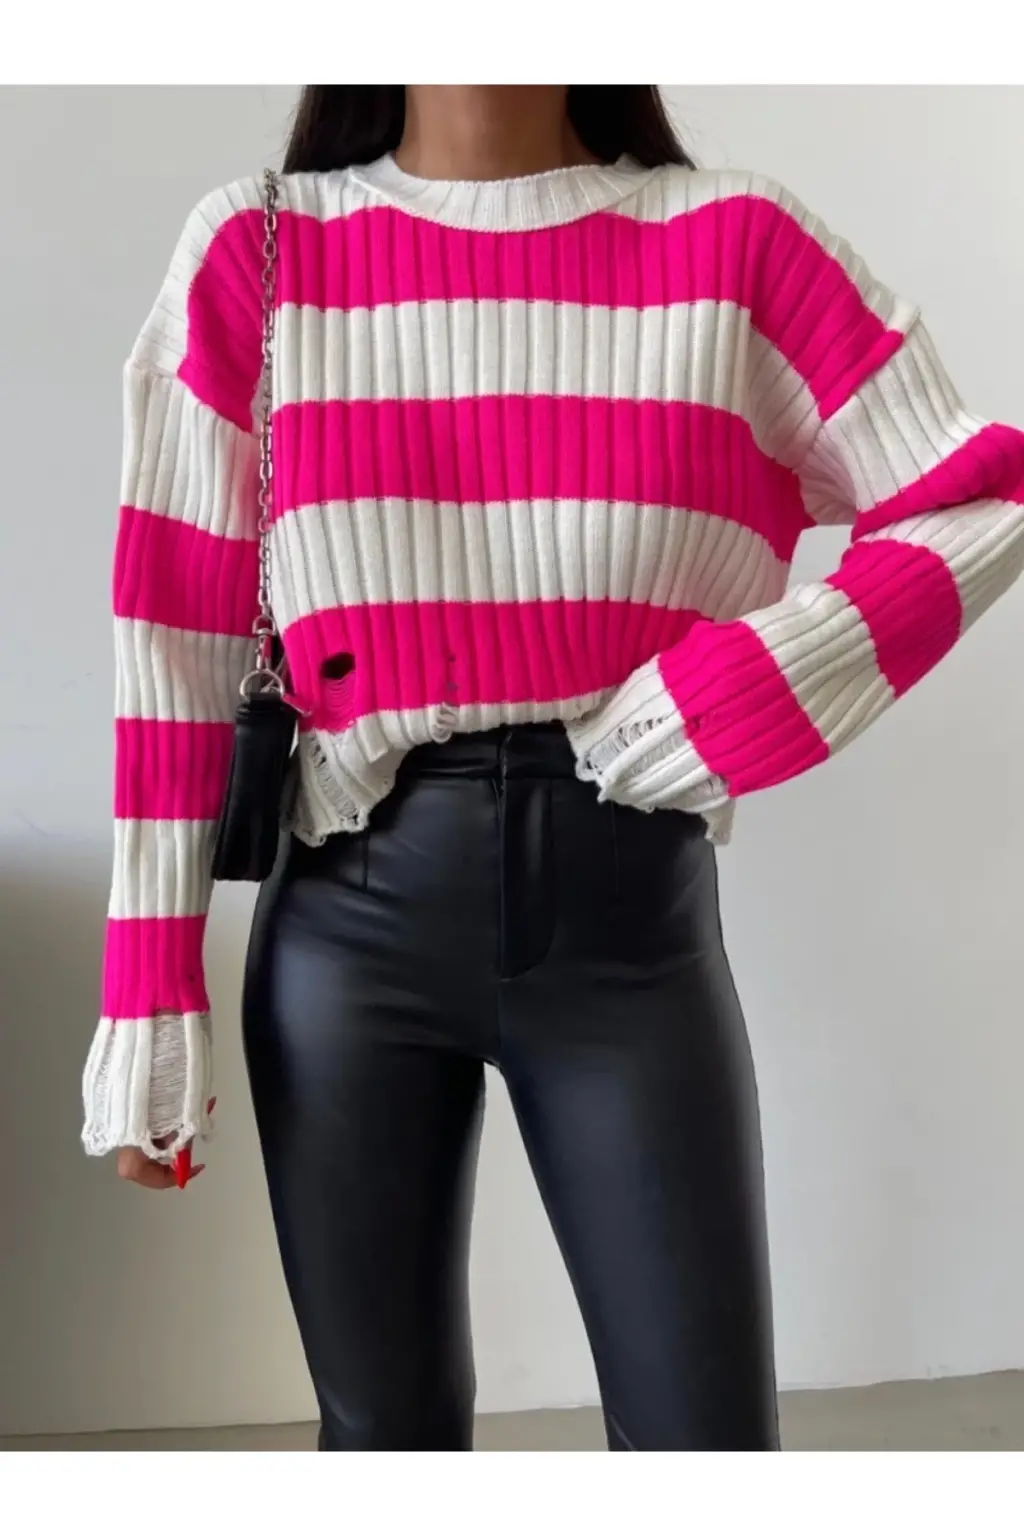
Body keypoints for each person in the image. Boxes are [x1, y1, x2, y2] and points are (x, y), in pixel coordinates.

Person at [82, 84, 1024, 1451]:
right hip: (347, 930)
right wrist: (148, 1005)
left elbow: (980, 495)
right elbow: (172, 642)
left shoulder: (738, 245)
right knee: (385, 1441)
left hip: (632, 932)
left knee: (704, 1444)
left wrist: (731, 697)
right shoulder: (259, 248)